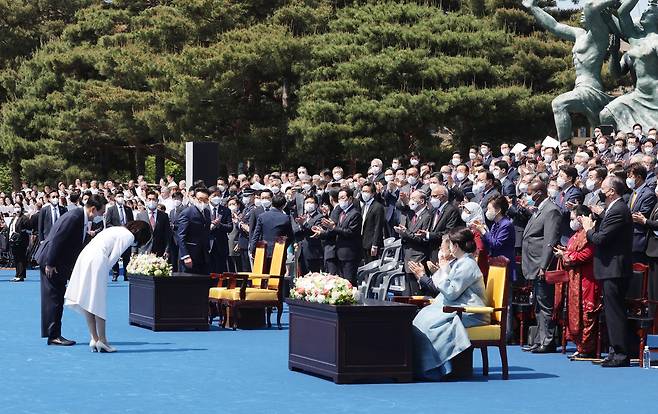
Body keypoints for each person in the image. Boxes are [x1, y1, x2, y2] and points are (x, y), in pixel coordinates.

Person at [409, 228, 489, 380]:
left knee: (431, 325)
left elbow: (452, 291)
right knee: (422, 317)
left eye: (450, 245)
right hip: (457, 306)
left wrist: (442, 271)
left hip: (471, 312)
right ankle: (421, 364)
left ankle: (433, 368)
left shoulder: (468, 264)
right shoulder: (460, 262)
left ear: (456, 246)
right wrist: (440, 272)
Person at [64, 221, 152, 353]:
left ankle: (94, 338)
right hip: (97, 260)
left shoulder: (117, 229)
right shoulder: (128, 236)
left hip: (85, 257)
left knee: (88, 298)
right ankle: (103, 340)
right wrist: (105, 271)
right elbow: (115, 256)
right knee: (98, 301)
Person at [39, 194, 107, 346]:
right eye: (101, 212)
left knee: (56, 297)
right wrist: (50, 263)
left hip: (58, 262)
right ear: (93, 209)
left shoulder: (80, 217)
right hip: (52, 262)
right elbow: (58, 239)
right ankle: (53, 335)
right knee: (54, 299)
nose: (102, 215)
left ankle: (53, 333)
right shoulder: (75, 216)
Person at [581, 176, 633, 367]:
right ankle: (614, 351)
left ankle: (620, 354)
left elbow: (601, 239)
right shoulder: (613, 210)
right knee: (611, 311)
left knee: (615, 312)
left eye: (603, 188)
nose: (600, 192)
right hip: (609, 268)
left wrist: (588, 230)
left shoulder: (619, 209)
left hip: (614, 269)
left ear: (611, 191)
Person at [553, 204, 601, 359]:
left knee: (587, 313)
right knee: (576, 312)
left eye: (573, 218)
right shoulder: (575, 235)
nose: (571, 221)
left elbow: (586, 255)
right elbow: (572, 251)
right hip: (575, 280)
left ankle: (587, 348)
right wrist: (564, 252)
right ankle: (579, 345)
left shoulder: (589, 234)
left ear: (581, 219)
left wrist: (565, 255)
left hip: (587, 280)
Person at [521, 180, 561, 353]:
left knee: (545, 303)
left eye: (530, 193)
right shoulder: (538, 210)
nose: (528, 197)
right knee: (537, 303)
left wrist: (544, 266)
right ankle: (539, 338)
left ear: (539, 193)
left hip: (541, 264)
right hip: (532, 263)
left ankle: (548, 340)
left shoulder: (551, 210)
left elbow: (549, 241)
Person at [313, 188, 362, 284]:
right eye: (339, 198)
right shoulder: (342, 213)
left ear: (350, 198)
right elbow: (337, 230)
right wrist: (326, 230)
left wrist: (333, 227)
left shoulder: (355, 214)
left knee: (349, 283)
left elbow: (350, 232)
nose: (340, 201)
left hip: (349, 254)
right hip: (339, 253)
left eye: (343, 198)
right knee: (341, 283)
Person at [394, 190, 432, 293]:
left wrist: (405, 232)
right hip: (408, 256)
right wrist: (403, 232)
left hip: (418, 257)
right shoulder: (413, 215)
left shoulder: (427, 216)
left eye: (413, 199)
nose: (411, 201)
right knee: (409, 291)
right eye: (410, 199)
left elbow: (422, 238)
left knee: (417, 291)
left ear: (422, 201)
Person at [251, 194, 294, 274]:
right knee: (278, 277)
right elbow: (291, 237)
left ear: (272, 203)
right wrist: (283, 245)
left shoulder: (262, 216)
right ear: (284, 205)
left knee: (263, 277)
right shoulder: (286, 218)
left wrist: (253, 250)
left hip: (263, 251)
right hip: (279, 251)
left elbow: (256, 235)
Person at [626, 163, 656, 263]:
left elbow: (639, 216)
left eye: (630, 176)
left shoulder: (648, 194)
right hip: (628, 238)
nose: (628, 179)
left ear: (638, 177)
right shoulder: (634, 192)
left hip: (638, 239)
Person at [178, 187, 212, 275]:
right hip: (190, 254)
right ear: (194, 198)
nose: (203, 202)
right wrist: (185, 256)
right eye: (200, 199)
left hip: (203, 254)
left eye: (205, 200)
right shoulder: (187, 212)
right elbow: (181, 235)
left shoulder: (207, 212)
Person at [105, 193, 134, 281]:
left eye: (122, 196)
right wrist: (118, 229)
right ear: (115, 198)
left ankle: (126, 274)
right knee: (115, 255)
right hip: (116, 236)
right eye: (119, 197)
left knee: (126, 256)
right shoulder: (111, 209)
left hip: (126, 235)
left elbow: (132, 222)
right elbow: (108, 223)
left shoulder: (128, 209)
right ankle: (115, 273)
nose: (121, 198)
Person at [293, 195, 325, 274]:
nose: (309, 204)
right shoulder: (303, 216)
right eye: (307, 202)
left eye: (311, 202)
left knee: (314, 277)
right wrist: (300, 226)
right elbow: (296, 231)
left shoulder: (319, 217)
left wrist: (304, 223)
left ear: (316, 205)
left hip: (313, 253)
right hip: (302, 251)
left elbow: (315, 230)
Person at [136, 191, 171, 257]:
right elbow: (136, 235)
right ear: (146, 200)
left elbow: (167, 235)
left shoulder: (164, 216)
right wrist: (134, 251)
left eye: (153, 199)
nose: (151, 201)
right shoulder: (140, 216)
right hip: (144, 251)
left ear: (157, 201)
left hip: (159, 251)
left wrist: (167, 250)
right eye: (149, 199)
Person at [460, 202, 489, 279]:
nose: (465, 213)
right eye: (464, 211)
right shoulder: (470, 226)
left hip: (479, 267)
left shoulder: (478, 227)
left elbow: (480, 248)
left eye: (467, 212)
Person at [358, 183, 385, 264]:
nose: (364, 193)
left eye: (367, 191)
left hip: (372, 244)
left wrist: (375, 245)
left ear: (373, 193)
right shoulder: (364, 206)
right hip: (363, 242)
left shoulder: (378, 207)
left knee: (372, 266)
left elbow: (378, 227)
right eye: (363, 191)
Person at [207, 190, 233, 274]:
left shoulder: (226, 210)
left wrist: (219, 225)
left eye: (219, 196)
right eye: (214, 195)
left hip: (221, 244)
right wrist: (209, 226)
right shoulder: (204, 209)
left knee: (220, 269)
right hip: (207, 244)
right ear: (209, 197)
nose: (216, 198)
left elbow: (230, 227)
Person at [8, 203, 32, 282]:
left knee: (21, 257)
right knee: (16, 258)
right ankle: (17, 274)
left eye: (18, 207)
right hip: (14, 241)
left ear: (21, 208)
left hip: (21, 241)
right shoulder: (14, 218)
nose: (16, 209)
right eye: (15, 207)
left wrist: (22, 232)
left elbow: (29, 229)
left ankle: (21, 275)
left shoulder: (24, 218)